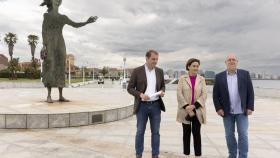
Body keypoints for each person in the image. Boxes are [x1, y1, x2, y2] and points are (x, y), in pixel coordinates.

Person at [40, 0, 97, 103]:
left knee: (60, 67)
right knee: (50, 67)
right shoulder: (46, 16)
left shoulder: (63, 17)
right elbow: (44, 30)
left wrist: (87, 22)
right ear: (51, 3)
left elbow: (75, 24)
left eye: (59, 1)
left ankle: (61, 95)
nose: (57, 2)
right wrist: (44, 46)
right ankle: (49, 95)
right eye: (55, 1)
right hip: (50, 43)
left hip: (60, 43)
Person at [213, 54, 254, 158]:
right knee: (229, 135)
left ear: (237, 62)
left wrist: (250, 107)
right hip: (227, 112)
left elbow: (250, 92)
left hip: (242, 111)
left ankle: (243, 156)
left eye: (233, 60)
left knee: (243, 135)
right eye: (229, 60)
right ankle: (232, 155)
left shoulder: (245, 74)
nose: (231, 61)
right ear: (225, 62)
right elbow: (215, 95)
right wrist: (218, 108)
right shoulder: (219, 76)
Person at [127, 50, 165, 158]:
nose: (155, 61)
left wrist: (162, 91)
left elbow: (162, 85)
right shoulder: (137, 71)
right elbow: (129, 88)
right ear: (147, 58)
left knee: (156, 132)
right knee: (140, 132)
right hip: (142, 106)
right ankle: (139, 154)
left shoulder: (159, 71)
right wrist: (140, 94)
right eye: (153, 59)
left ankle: (155, 155)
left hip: (156, 106)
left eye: (157, 59)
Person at [176, 58, 207, 158]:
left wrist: (194, 105)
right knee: (186, 133)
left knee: (196, 132)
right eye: (194, 66)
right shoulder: (182, 78)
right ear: (188, 66)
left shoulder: (201, 79)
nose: (196, 68)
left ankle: (198, 155)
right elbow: (179, 93)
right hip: (185, 110)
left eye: (197, 66)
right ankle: (186, 154)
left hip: (197, 110)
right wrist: (186, 106)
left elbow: (204, 94)